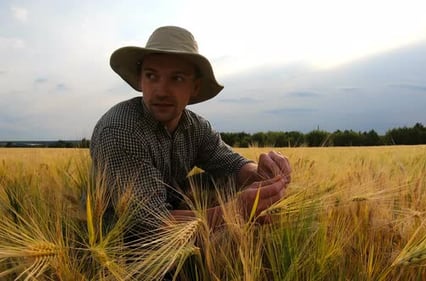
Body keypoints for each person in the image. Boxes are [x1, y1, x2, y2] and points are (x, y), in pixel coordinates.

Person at [90, 26, 291, 235]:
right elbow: (151, 224)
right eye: (151, 76)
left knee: (225, 181)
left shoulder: (196, 128)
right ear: (140, 80)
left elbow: (232, 166)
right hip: (120, 239)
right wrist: (236, 211)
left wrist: (263, 174)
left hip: (169, 206)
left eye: (176, 78)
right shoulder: (120, 130)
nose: (161, 91)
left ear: (194, 87)